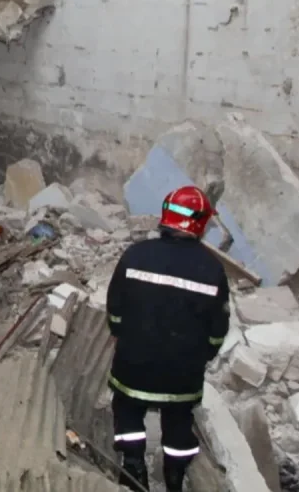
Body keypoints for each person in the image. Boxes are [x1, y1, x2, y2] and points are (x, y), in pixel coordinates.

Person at [106, 185, 230, 491]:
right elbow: (218, 328)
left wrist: (124, 335)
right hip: (182, 373)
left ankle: (133, 466)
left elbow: (115, 311)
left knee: (127, 409)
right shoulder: (212, 269)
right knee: (178, 421)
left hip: (133, 364)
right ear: (200, 223)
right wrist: (205, 353)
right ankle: (175, 476)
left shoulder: (134, 256)